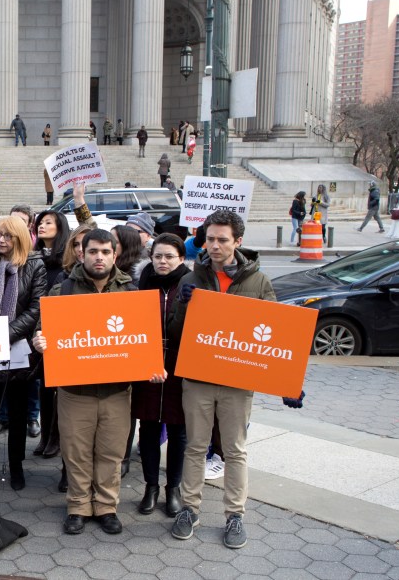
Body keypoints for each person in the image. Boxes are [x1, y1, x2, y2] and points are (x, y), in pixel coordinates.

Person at [168, 209, 302, 549]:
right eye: (210, 239)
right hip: (197, 377)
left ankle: (235, 515)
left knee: (235, 450)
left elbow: (277, 334)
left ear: (237, 242)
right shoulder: (190, 278)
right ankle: (189, 509)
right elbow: (175, 332)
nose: (214, 245)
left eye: (222, 240)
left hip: (237, 381)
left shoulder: (258, 282)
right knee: (195, 446)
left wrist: (289, 381)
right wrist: (183, 307)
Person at [30, 228, 133, 537]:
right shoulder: (62, 291)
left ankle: (106, 506)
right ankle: (77, 506)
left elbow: (143, 337)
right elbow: (42, 329)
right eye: (93, 252)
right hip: (75, 390)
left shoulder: (131, 292)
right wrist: (39, 340)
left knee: (110, 452)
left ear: (115, 255)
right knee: (76, 452)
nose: (98, 257)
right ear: (81, 253)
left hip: (117, 389)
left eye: (105, 252)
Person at [0, 216, 46, 491]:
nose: (1, 240)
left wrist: (7, 334)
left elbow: (36, 307)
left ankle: (16, 466)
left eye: (8, 236)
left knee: (17, 414)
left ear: (21, 238)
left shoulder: (34, 266)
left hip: (20, 351)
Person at [132, 233, 191, 517]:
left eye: (169, 256)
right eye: (158, 256)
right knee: (149, 427)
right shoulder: (141, 284)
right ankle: (151, 487)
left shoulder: (191, 284)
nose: (163, 261)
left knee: (178, 429)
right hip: (148, 361)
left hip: (181, 363)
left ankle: (173, 488)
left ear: (181, 258)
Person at [30, 210, 70, 460]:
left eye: (48, 222)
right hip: (38, 329)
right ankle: (46, 435)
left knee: (58, 388)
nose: (42, 226)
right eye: (40, 223)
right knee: (43, 387)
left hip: (61, 330)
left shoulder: (65, 260)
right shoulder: (34, 257)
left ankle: (56, 437)